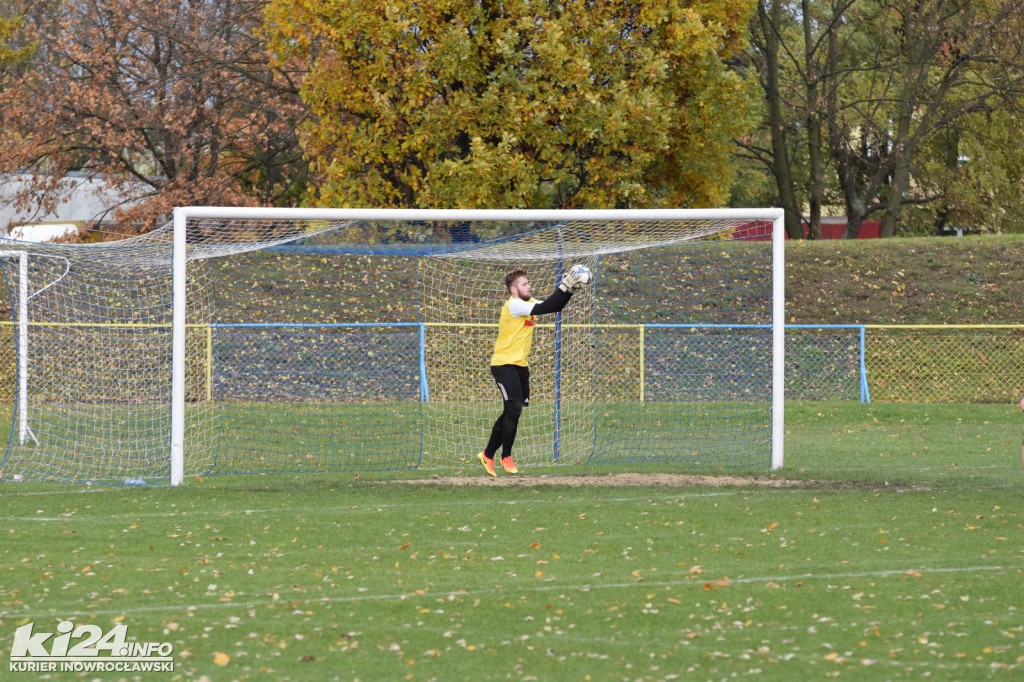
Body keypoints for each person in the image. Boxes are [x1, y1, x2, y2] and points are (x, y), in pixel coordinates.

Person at [477, 267, 583, 477]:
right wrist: (564, 285)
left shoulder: (527, 302)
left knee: (513, 410)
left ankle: (488, 454)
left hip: (520, 365)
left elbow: (555, 306)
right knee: (514, 407)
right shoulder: (515, 305)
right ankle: (505, 456)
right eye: (524, 284)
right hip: (503, 363)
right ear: (514, 290)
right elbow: (548, 305)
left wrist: (569, 290)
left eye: (528, 283)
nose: (529, 286)